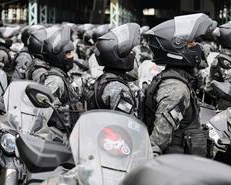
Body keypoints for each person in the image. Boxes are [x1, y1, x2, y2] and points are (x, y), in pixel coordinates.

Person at [143, 13, 215, 156]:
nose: (198, 46)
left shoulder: (177, 79)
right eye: (191, 43)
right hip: (178, 164)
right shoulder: (176, 88)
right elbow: (160, 137)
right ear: (177, 49)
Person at [85, 23, 140, 115]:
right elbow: (126, 123)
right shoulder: (118, 89)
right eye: (129, 51)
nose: (132, 54)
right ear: (117, 57)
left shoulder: (103, 79)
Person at [40, 25, 82, 130]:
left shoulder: (62, 75)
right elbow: (42, 114)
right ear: (58, 57)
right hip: (61, 137)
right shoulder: (55, 80)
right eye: (67, 53)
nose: (72, 56)